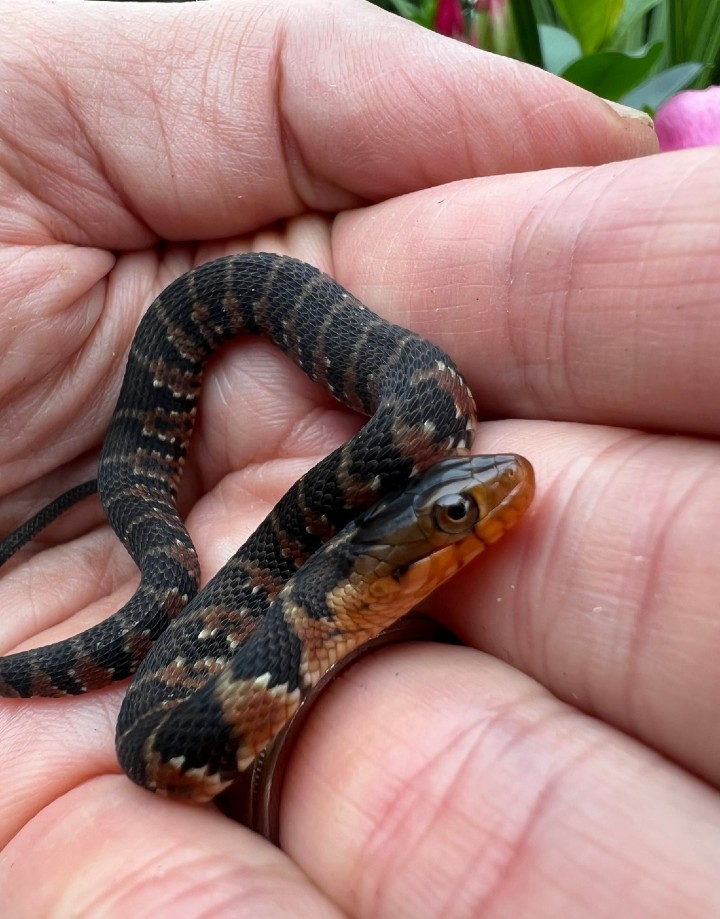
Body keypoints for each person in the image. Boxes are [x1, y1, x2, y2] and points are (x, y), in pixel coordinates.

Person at [0, 0, 718, 914]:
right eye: (457, 515)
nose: (498, 494)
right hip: (226, 586)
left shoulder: (395, 437)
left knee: (409, 394)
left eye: (456, 509)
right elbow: (165, 741)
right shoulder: (290, 624)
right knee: (173, 568)